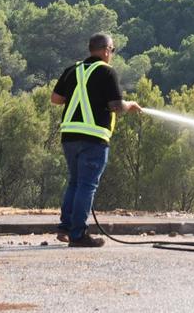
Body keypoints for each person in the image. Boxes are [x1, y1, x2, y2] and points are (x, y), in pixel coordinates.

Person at [51, 33, 142, 247]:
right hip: (94, 137)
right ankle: (78, 235)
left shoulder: (72, 70)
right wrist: (130, 105)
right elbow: (116, 107)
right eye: (112, 49)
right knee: (87, 185)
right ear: (106, 50)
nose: (112, 54)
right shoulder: (107, 72)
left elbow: (55, 99)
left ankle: (65, 228)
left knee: (74, 182)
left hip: (69, 136)